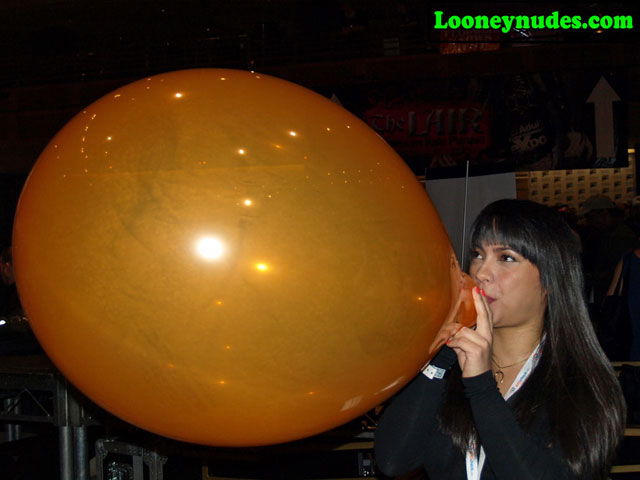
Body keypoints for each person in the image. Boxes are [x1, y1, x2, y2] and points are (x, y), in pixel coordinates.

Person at [375, 199, 626, 480]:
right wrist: (445, 351)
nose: (481, 272)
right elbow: (393, 460)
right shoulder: (449, 366)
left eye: (506, 258)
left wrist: (481, 386)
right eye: (478, 254)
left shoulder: (580, 383)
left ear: (551, 279)